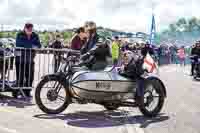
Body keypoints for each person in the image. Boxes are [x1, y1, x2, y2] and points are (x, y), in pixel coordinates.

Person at [15, 23, 41, 98]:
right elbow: (19, 43)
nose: (30, 31)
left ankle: (27, 92)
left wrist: (29, 45)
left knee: (30, 77)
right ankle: (19, 91)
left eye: (31, 30)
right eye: (28, 29)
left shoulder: (35, 35)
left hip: (30, 59)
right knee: (20, 76)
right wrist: (32, 45)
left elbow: (39, 45)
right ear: (25, 28)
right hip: (20, 60)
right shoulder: (19, 34)